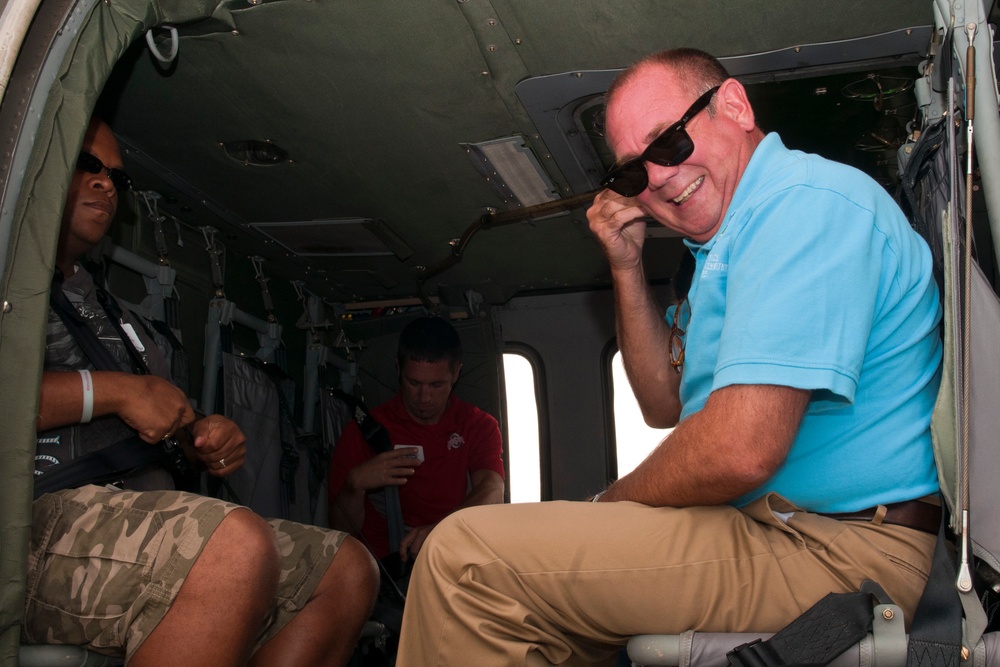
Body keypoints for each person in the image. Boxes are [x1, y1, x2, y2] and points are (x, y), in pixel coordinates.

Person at [394, 48, 943, 665]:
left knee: (463, 557)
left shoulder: (805, 205)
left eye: (670, 143)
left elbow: (741, 447)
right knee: (523, 616)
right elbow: (662, 403)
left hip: (843, 550)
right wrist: (626, 266)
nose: (655, 177)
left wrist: (607, 509)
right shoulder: (724, 249)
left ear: (733, 105)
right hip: (775, 531)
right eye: (630, 173)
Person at [27, 117, 379, 666]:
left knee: (345, 568)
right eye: (86, 166)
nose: (104, 184)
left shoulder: (115, 313)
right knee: (230, 546)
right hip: (31, 527)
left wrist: (203, 437)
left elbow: (161, 421)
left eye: (116, 178)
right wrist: (114, 392)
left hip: (138, 514)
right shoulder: (14, 285)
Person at [327, 316, 505, 563]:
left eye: (436, 385)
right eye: (414, 383)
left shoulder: (477, 425)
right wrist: (354, 484)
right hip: (383, 570)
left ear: (456, 374)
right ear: (399, 370)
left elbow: (493, 490)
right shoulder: (364, 431)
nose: (424, 397)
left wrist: (441, 530)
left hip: (452, 554)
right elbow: (341, 532)